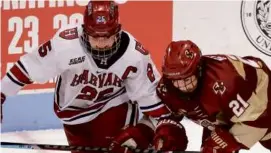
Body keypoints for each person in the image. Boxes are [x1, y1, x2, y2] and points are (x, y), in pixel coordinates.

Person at [1, 1, 189, 153]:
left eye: (106, 36)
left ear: (118, 31)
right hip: (73, 114)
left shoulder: (135, 55)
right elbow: (27, 68)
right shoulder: (65, 45)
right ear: (85, 31)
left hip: (113, 105)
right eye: (95, 36)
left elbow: (151, 99)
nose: (101, 43)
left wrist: (154, 129)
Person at [154, 40, 271, 153]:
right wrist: (166, 136)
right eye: (176, 80)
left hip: (262, 99)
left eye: (187, 78)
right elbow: (167, 117)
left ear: (199, 69)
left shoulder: (227, 82)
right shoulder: (166, 88)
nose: (182, 86)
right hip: (225, 109)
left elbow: (259, 120)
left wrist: (224, 144)